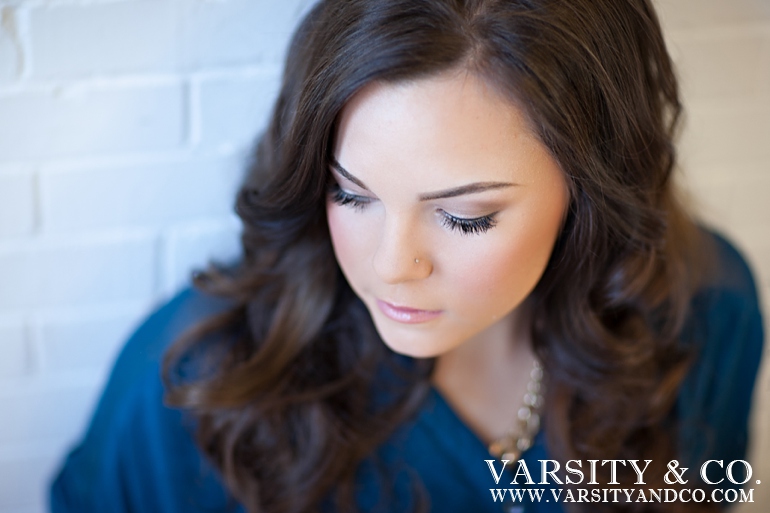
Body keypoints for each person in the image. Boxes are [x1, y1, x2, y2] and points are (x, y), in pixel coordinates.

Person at [49, 0, 764, 512]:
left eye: (464, 215)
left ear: (591, 192)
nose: (392, 265)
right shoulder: (191, 387)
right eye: (351, 195)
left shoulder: (705, 314)